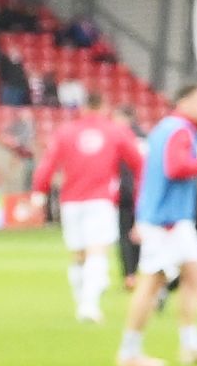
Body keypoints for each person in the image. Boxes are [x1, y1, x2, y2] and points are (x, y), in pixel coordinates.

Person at [118, 84, 197, 366]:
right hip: (166, 221)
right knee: (151, 283)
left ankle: (190, 345)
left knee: (195, 274)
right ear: (185, 101)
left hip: (170, 218)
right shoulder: (179, 130)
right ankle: (129, 351)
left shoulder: (168, 128)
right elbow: (175, 168)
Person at [38, 88, 136, 326]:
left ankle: (82, 298)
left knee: (79, 254)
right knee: (97, 251)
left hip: (70, 201)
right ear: (104, 107)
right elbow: (138, 163)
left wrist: (39, 190)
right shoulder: (115, 131)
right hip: (101, 199)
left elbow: (48, 164)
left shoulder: (66, 132)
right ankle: (89, 305)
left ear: (82, 107)